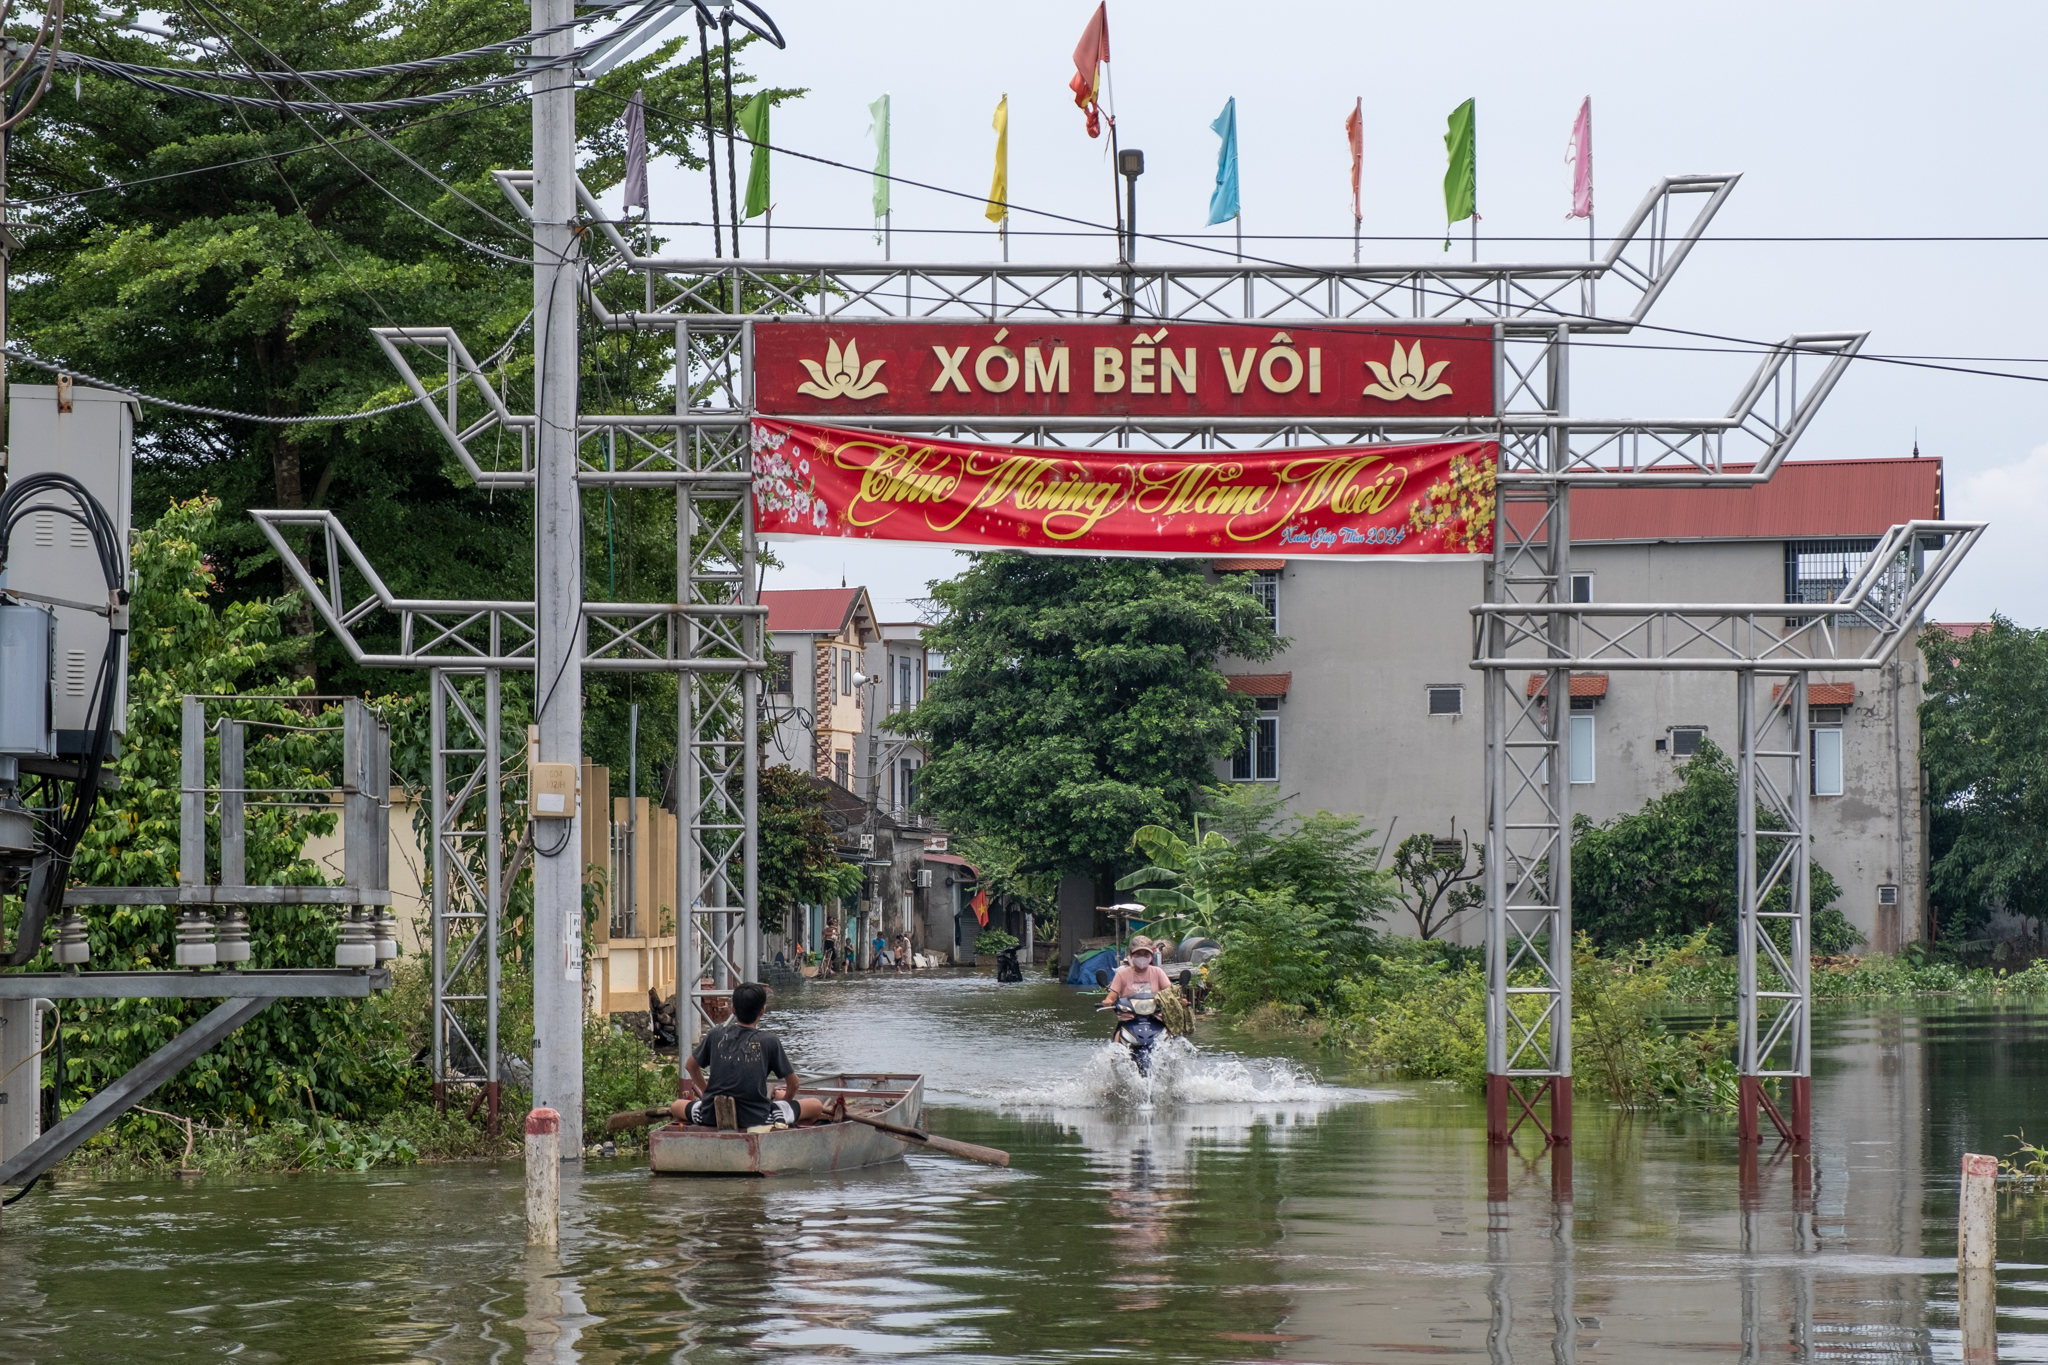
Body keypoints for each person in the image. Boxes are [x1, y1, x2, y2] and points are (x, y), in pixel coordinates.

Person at [672, 982, 826, 1129]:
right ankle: (781, 1116)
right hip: (757, 1120)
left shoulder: (715, 1034)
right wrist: (784, 1101)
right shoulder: (769, 1041)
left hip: (711, 1116)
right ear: (762, 1010)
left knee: (676, 1106)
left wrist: (707, 1094)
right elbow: (794, 1084)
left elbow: (690, 1066)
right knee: (815, 1105)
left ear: (733, 1009)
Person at [1103, 935, 1174, 1022]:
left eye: (1146, 954)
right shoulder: (1122, 974)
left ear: (1151, 955)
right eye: (1138, 954)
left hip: (1156, 1019)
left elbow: (1169, 991)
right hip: (1128, 1019)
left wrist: (1179, 1000)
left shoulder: (1158, 972)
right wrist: (1108, 1001)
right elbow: (1112, 995)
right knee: (1119, 1030)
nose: (1142, 957)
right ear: (1131, 955)